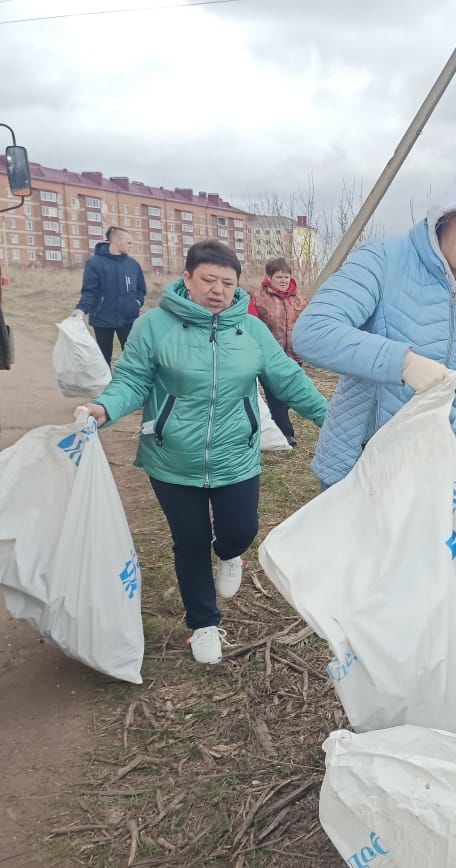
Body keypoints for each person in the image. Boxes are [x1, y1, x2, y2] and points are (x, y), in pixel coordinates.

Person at [82, 241, 328, 665]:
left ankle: (229, 553)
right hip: (172, 457)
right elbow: (133, 380)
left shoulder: (249, 330)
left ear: (237, 286)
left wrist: (332, 419)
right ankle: (203, 624)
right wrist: (104, 408)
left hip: (236, 453)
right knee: (190, 541)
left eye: (227, 283)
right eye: (208, 280)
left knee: (241, 529)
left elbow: (288, 379)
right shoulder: (154, 327)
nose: (218, 290)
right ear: (187, 279)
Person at [293, 158, 456, 518]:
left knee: (422, 571)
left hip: (435, 463)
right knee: (360, 572)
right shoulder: (383, 260)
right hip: (362, 460)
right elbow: (314, 330)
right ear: (451, 213)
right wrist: (402, 362)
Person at [247, 257, 308, 446]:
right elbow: (251, 324)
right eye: (279, 276)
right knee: (275, 395)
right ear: (269, 277)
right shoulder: (257, 297)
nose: (283, 280)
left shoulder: (300, 298)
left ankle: (280, 426)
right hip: (269, 356)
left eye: (286, 276)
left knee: (289, 393)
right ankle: (286, 433)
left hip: (294, 354)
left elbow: (308, 322)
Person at [74, 226, 148, 366]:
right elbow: (90, 291)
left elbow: (140, 290)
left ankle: (131, 385)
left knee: (133, 356)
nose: (131, 246)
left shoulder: (133, 265)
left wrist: (136, 303)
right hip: (102, 318)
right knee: (103, 358)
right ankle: (106, 385)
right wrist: (81, 309)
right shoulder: (94, 263)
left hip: (128, 319)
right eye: (129, 243)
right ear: (116, 240)